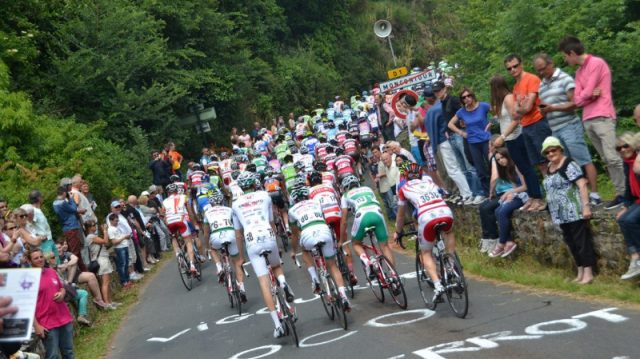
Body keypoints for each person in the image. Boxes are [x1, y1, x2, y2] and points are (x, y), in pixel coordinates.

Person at [559, 36, 626, 209]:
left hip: (603, 115)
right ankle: (621, 194)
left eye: (565, 56)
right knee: (606, 158)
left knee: (614, 157)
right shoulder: (579, 72)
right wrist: (587, 95)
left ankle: (627, 194)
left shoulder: (596, 63)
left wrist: (585, 95)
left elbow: (584, 93)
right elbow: (578, 100)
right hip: (588, 118)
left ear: (572, 53)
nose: (565, 60)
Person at [231, 172, 295, 339]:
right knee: (276, 266)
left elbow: (238, 233)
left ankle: (277, 325)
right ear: (254, 184)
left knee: (264, 283)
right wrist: (274, 238)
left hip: (251, 240)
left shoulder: (236, 204)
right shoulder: (264, 195)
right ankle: (282, 282)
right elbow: (272, 221)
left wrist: (240, 256)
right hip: (267, 234)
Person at [533, 53, 602, 206]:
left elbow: (575, 103)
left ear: (551, 64)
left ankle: (595, 194)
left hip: (570, 125)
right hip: (555, 129)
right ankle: (578, 194)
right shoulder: (542, 85)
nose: (541, 73)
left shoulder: (564, 78)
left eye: (543, 69)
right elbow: (545, 105)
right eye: (538, 70)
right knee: (567, 164)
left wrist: (553, 108)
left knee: (583, 159)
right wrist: (544, 110)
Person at [393, 163, 456, 301]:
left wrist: (398, 231)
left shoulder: (403, 187)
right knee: (449, 232)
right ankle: (451, 264)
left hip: (426, 217)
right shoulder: (428, 179)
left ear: (405, 176)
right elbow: (443, 193)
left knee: (425, 253)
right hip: (444, 211)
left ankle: (438, 285)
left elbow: (401, 215)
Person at [541, 136, 595, 284]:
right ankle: (580, 271)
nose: (551, 154)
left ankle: (588, 272)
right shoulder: (550, 168)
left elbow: (582, 185)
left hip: (574, 210)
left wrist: (585, 206)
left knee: (581, 241)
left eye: (553, 150)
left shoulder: (568, 164)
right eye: (547, 152)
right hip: (560, 214)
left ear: (560, 149)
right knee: (571, 242)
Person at [288, 185, 351, 310]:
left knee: (305, 251)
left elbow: (295, 234)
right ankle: (343, 296)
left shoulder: (292, 210)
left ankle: (315, 279)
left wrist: (294, 251)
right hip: (323, 230)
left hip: (307, 233)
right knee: (332, 265)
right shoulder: (315, 202)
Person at [489, 75, 544, 214]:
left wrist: (502, 136)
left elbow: (516, 119)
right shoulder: (503, 101)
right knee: (523, 168)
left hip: (516, 137)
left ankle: (537, 197)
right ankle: (532, 196)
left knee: (527, 168)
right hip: (510, 139)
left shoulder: (508, 98)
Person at [505, 54, 550, 211]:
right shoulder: (516, 87)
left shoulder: (531, 79)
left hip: (538, 123)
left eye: (515, 66)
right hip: (526, 126)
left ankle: (553, 196)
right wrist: (520, 108)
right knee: (539, 164)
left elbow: (528, 107)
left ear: (521, 64)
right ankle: (546, 197)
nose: (513, 70)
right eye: (509, 68)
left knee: (547, 160)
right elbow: (514, 114)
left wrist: (521, 108)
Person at [434, 81, 483, 203]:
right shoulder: (443, 102)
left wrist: (462, 130)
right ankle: (471, 192)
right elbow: (449, 119)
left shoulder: (454, 100)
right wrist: (447, 129)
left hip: (459, 135)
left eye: (439, 90)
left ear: (445, 89)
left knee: (469, 165)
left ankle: (479, 192)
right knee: (463, 167)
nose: (438, 93)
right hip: (451, 136)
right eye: (436, 91)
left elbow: (463, 114)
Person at [340, 174, 396, 279]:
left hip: (362, 216)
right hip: (377, 213)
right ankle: (394, 276)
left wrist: (341, 239)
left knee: (356, 243)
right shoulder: (367, 188)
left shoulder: (345, 195)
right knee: (384, 246)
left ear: (346, 187)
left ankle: (367, 262)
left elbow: (343, 220)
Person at [424, 93, 473, 204]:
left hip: (443, 141)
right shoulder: (444, 105)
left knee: (453, 170)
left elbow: (432, 130)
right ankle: (467, 193)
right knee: (462, 167)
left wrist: (434, 145)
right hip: (455, 136)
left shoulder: (432, 111)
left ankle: (466, 193)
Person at [28, 248, 76, 359]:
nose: (40, 259)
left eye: (41, 256)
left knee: (68, 352)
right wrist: (37, 326)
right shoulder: (28, 279)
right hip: (47, 323)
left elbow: (62, 288)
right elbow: (27, 306)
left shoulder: (51, 271)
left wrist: (62, 293)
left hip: (64, 318)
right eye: (36, 258)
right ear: (30, 262)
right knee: (52, 356)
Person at [481, 147, 528, 257]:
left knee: (502, 211)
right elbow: (515, 187)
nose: (501, 161)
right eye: (498, 160)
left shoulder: (517, 166)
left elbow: (525, 186)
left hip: (526, 195)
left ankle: (501, 243)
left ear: (508, 156)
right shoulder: (507, 168)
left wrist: (509, 193)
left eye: (502, 157)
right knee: (498, 210)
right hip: (518, 194)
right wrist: (510, 195)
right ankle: (509, 242)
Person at [202, 190, 247, 301]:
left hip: (216, 236)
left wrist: (207, 247)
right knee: (237, 263)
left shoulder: (207, 212)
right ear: (222, 200)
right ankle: (241, 287)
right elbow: (237, 227)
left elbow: (206, 233)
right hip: (231, 234)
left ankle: (219, 267)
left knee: (212, 249)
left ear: (211, 203)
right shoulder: (229, 209)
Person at [448, 88, 491, 203]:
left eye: (468, 96)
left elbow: (496, 113)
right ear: (461, 100)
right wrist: (462, 133)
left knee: (492, 163)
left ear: (472, 96)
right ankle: (486, 193)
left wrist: (491, 123)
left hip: (486, 140)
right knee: (480, 169)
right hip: (472, 142)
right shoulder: (461, 112)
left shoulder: (483, 106)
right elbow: (450, 124)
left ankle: (499, 189)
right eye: (464, 97)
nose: (467, 98)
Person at [614, 133, 640, 280]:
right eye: (619, 148)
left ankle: (638, 258)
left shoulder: (638, 160)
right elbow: (628, 188)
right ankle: (635, 257)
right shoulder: (627, 163)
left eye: (626, 145)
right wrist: (625, 206)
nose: (623, 150)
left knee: (630, 221)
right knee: (623, 219)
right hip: (637, 200)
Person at [163, 184, 198, 274]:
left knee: (174, 238)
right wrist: (194, 223)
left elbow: (163, 215)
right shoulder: (184, 197)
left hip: (170, 222)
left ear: (168, 193)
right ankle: (192, 265)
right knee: (189, 242)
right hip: (181, 220)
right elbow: (189, 212)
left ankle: (178, 255)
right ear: (177, 191)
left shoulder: (164, 201)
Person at [53, 184, 87, 271]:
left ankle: (80, 268)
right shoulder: (63, 203)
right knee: (75, 250)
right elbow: (73, 208)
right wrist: (71, 198)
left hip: (66, 228)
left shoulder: (55, 203)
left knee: (73, 248)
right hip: (71, 227)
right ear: (64, 193)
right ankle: (80, 269)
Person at [107, 213, 132, 289]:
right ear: (111, 221)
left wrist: (126, 237)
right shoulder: (110, 229)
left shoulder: (117, 227)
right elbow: (114, 242)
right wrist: (124, 237)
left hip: (124, 246)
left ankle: (127, 280)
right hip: (120, 248)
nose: (117, 222)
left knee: (126, 264)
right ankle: (124, 281)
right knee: (122, 265)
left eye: (117, 221)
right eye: (115, 221)